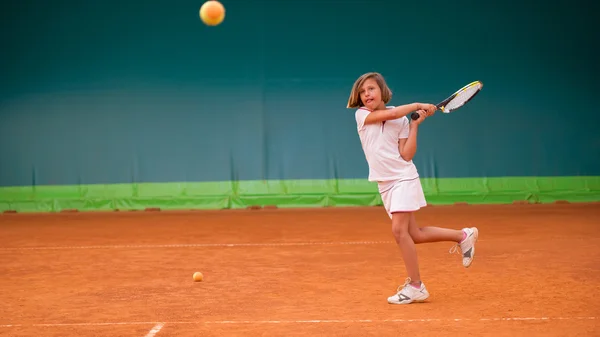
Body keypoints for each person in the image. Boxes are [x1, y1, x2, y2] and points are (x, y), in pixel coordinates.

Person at [347, 72, 479, 305]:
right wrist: (417, 105)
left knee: (399, 232)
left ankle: (416, 285)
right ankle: (463, 235)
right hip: (385, 184)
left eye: (371, 89)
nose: (366, 94)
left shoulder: (402, 120)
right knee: (414, 235)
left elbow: (406, 154)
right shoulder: (362, 115)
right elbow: (395, 112)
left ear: (382, 91)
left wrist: (415, 124)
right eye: (362, 91)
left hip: (403, 178)